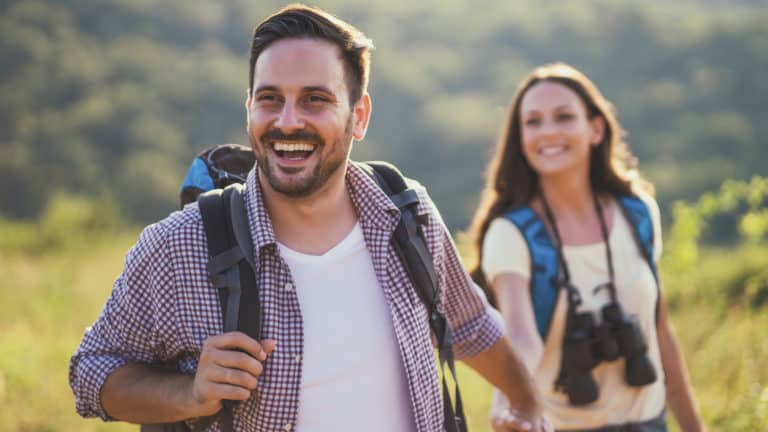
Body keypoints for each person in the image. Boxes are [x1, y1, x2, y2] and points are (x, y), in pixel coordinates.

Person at [69, 5, 551, 432]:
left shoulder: (409, 215)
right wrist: (190, 394)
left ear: (358, 116)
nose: (288, 121)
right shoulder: (179, 245)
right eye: (270, 98)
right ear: (250, 108)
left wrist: (529, 404)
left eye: (315, 99)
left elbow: (469, 326)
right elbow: (92, 373)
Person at [467, 62, 706, 431]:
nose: (548, 132)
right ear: (520, 137)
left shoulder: (636, 212)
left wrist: (694, 427)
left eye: (563, 117)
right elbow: (520, 333)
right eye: (533, 122)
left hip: (649, 421)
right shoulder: (510, 233)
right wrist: (509, 396)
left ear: (595, 129)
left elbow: (660, 330)